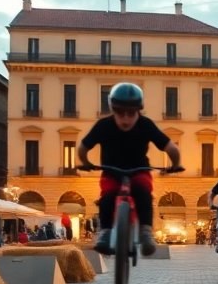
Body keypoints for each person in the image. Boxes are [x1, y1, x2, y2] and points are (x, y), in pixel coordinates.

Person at [77, 82, 183, 257]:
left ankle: (146, 233)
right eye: (120, 113)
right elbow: (82, 148)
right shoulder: (104, 125)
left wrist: (175, 164)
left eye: (131, 113)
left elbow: (171, 148)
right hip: (112, 172)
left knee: (143, 194)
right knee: (107, 197)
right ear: (112, 109)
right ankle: (105, 232)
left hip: (139, 171)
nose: (125, 119)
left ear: (138, 110)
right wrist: (85, 161)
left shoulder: (146, 125)